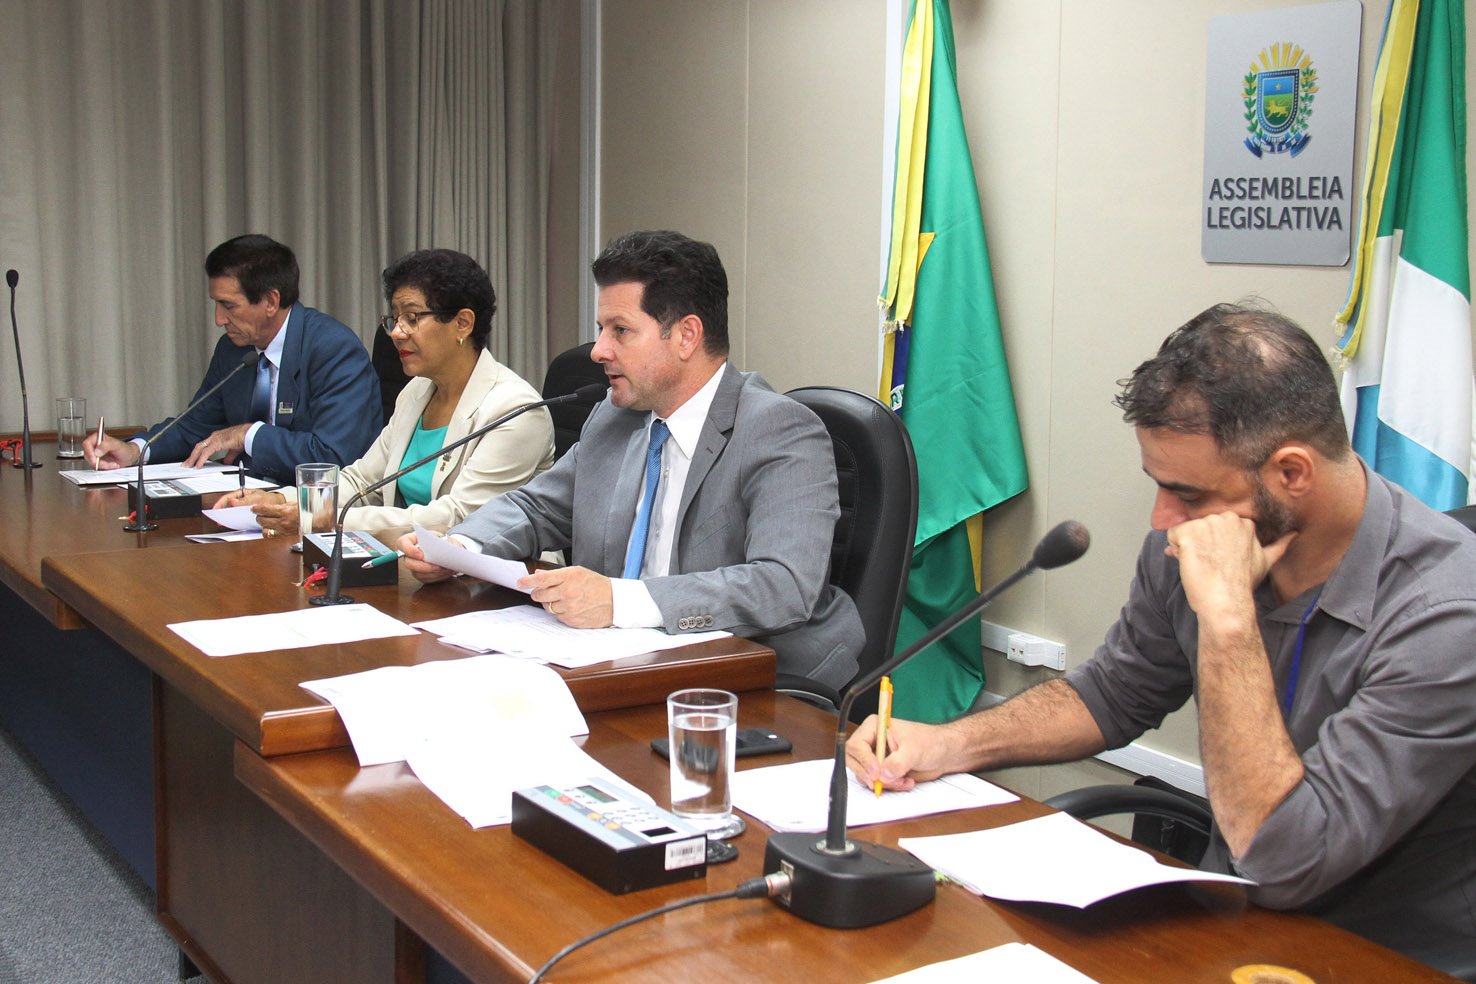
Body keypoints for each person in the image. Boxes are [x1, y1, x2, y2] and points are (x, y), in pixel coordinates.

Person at [848, 303, 1476, 975]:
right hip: (1227, 925)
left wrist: (1228, 621)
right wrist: (950, 744)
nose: (1162, 520)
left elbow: (1285, 861)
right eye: (1157, 486)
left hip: (1383, 957)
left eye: (1188, 494)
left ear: (1293, 474)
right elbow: (1114, 693)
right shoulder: (1192, 542)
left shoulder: (1448, 615)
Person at [399, 230, 864, 692]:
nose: (598, 350)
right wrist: (461, 548)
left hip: (754, 679)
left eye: (619, 330)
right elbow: (537, 507)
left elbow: (784, 585)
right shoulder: (616, 416)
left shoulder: (779, 429)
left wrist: (618, 601)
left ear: (686, 335)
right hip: (621, 662)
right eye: (602, 329)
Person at [217, 249, 554, 536]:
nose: (396, 333)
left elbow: (459, 517)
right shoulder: (418, 391)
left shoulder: (516, 411)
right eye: (394, 318)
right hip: (412, 563)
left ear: (463, 323)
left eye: (412, 317)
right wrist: (283, 500)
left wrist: (322, 517)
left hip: (501, 577)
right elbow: (362, 482)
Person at [84, 234, 380, 485]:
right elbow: (195, 425)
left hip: (312, 512)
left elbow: (333, 456)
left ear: (270, 301)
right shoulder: (234, 349)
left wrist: (247, 434)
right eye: (216, 304)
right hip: (244, 504)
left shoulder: (333, 349)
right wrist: (136, 451)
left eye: (228, 306)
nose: (219, 319)